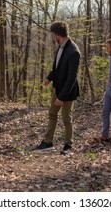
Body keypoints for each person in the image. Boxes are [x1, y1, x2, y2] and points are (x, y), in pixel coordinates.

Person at [33, 21, 81, 155]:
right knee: (52, 114)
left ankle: (68, 146)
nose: (54, 37)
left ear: (58, 35)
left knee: (66, 118)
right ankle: (48, 142)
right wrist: (49, 78)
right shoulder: (60, 48)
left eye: (54, 35)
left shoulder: (73, 51)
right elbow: (57, 67)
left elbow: (72, 78)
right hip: (57, 88)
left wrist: (62, 97)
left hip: (67, 92)